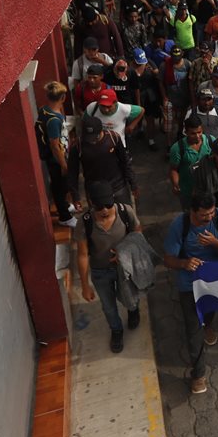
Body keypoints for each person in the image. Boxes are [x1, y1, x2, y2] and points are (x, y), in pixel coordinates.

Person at [162, 193, 218, 394]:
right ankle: (199, 373)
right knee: (193, 329)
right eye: (204, 215)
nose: (209, 218)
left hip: (215, 279)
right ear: (192, 212)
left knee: (210, 311)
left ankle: (208, 325)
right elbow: (168, 259)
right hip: (190, 283)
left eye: (212, 212)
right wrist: (184, 263)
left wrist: (215, 243)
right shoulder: (179, 225)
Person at [76, 181, 143, 353]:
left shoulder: (125, 212)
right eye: (99, 206)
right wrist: (85, 285)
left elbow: (138, 235)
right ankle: (116, 330)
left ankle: (133, 310)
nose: (104, 210)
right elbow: (83, 255)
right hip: (100, 272)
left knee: (130, 296)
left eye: (108, 204)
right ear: (91, 203)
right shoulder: (85, 222)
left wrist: (125, 253)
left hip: (125, 268)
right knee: (108, 306)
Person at [69, 115, 136, 206]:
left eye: (95, 137)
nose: (92, 141)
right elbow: (72, 172)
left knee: (125, 215)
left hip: (118, 187)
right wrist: (75, 196)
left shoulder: (113, 138)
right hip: (95, 191)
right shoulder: (77, 146)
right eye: (89, 138)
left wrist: (133, 183)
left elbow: (125, 161)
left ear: (101, 131)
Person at [35, 80, 76, 227]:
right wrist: (64, 164)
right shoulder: (53, 120)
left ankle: (64, 205)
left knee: (62, 185)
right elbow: (54, 145)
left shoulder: (45, 109)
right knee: (60, 187)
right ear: (63, 97)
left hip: (59, 156)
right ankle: (65, 217)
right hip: (56, 160)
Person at [169, 116, 212, 209]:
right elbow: (173, 169)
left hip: (209, 189)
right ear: (186, 132)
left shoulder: (210, 141)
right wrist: (175, 184)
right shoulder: (177, 148)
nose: (197, 136)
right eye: (193, 133)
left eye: (199, 132)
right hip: (188, 191)